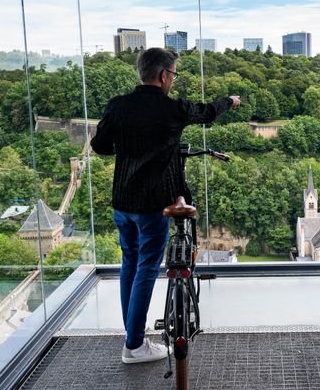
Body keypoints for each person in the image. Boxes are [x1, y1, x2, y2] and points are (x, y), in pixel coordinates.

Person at [91, 47, 240, 364]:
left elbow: (100, 146)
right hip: (153, 204)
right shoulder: (171, 109)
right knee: (145, 268)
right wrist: (230, 101)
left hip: (122, 202)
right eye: (173, 74)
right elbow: (206, 112)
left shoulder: (119, 106)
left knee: (129, 265)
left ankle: (134, 334)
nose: (173, 80)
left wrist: (129, 144)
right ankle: (133, 346)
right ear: (163, 75)